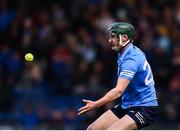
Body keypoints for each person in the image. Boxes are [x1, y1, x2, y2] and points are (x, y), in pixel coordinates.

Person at [78, 22, 158, 130]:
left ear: (124, 38)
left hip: (144, 107)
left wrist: (96, 104)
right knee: (92, 129)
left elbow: (118, 91)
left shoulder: (131, 59)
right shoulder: (125, 51)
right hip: (127, 104)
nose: (109, 40)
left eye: (113, 37)